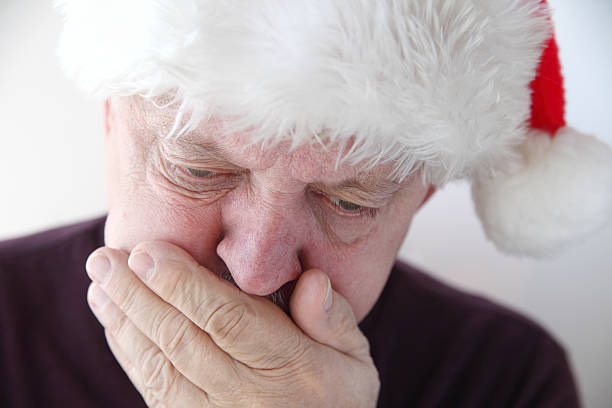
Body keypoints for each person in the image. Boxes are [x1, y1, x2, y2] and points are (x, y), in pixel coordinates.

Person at [2, 0, 611, 406]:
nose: (255, 270)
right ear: (112, 122)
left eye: (348, 202)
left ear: (421, 198)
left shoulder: (506, 380)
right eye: (199, 169)